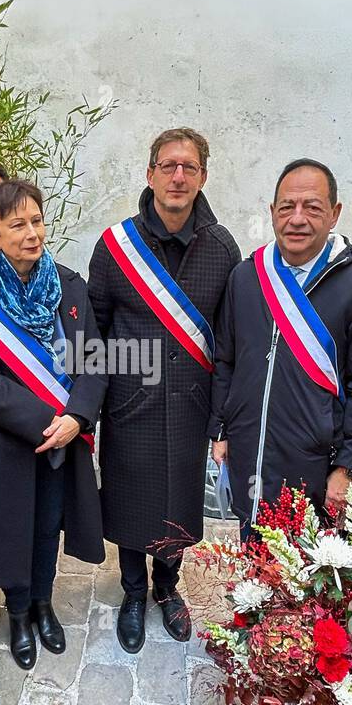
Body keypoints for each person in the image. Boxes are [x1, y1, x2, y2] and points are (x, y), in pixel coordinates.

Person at [0, 179, 107, 669]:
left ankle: (42, 602)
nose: (32, 233)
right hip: (4, 439)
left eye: (36, 221)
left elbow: (94, 359)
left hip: (63, 436)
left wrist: (77, 415)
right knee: (14, 525)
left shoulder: (69, 286)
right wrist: (46, 419)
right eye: (17, 225)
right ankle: (17, 614)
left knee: (47, 526)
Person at [88, 127, 241, 653]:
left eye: (190, 167)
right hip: (131, 402)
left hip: (191, 405)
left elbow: (228, 338)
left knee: (178, 499)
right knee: (130, 499)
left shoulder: (222, 248)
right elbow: (96, 332)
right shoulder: (115, 247)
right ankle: (133, 591)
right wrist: (100, 400)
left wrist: (220, 414)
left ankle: (166, 587)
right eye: (168, 166)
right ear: (150, 173)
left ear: (203, 177)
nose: (178, 176)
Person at [210, 159, 352, 530]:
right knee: (257, 574)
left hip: (319, 474)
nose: (297, 219)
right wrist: (222, 431)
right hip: (252, 461)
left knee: (318, 582)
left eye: (312, 207)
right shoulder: (246, 277)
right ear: (272, 213)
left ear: (334, 214)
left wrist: (348, 469)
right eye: (286, 207)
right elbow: (226, 360)